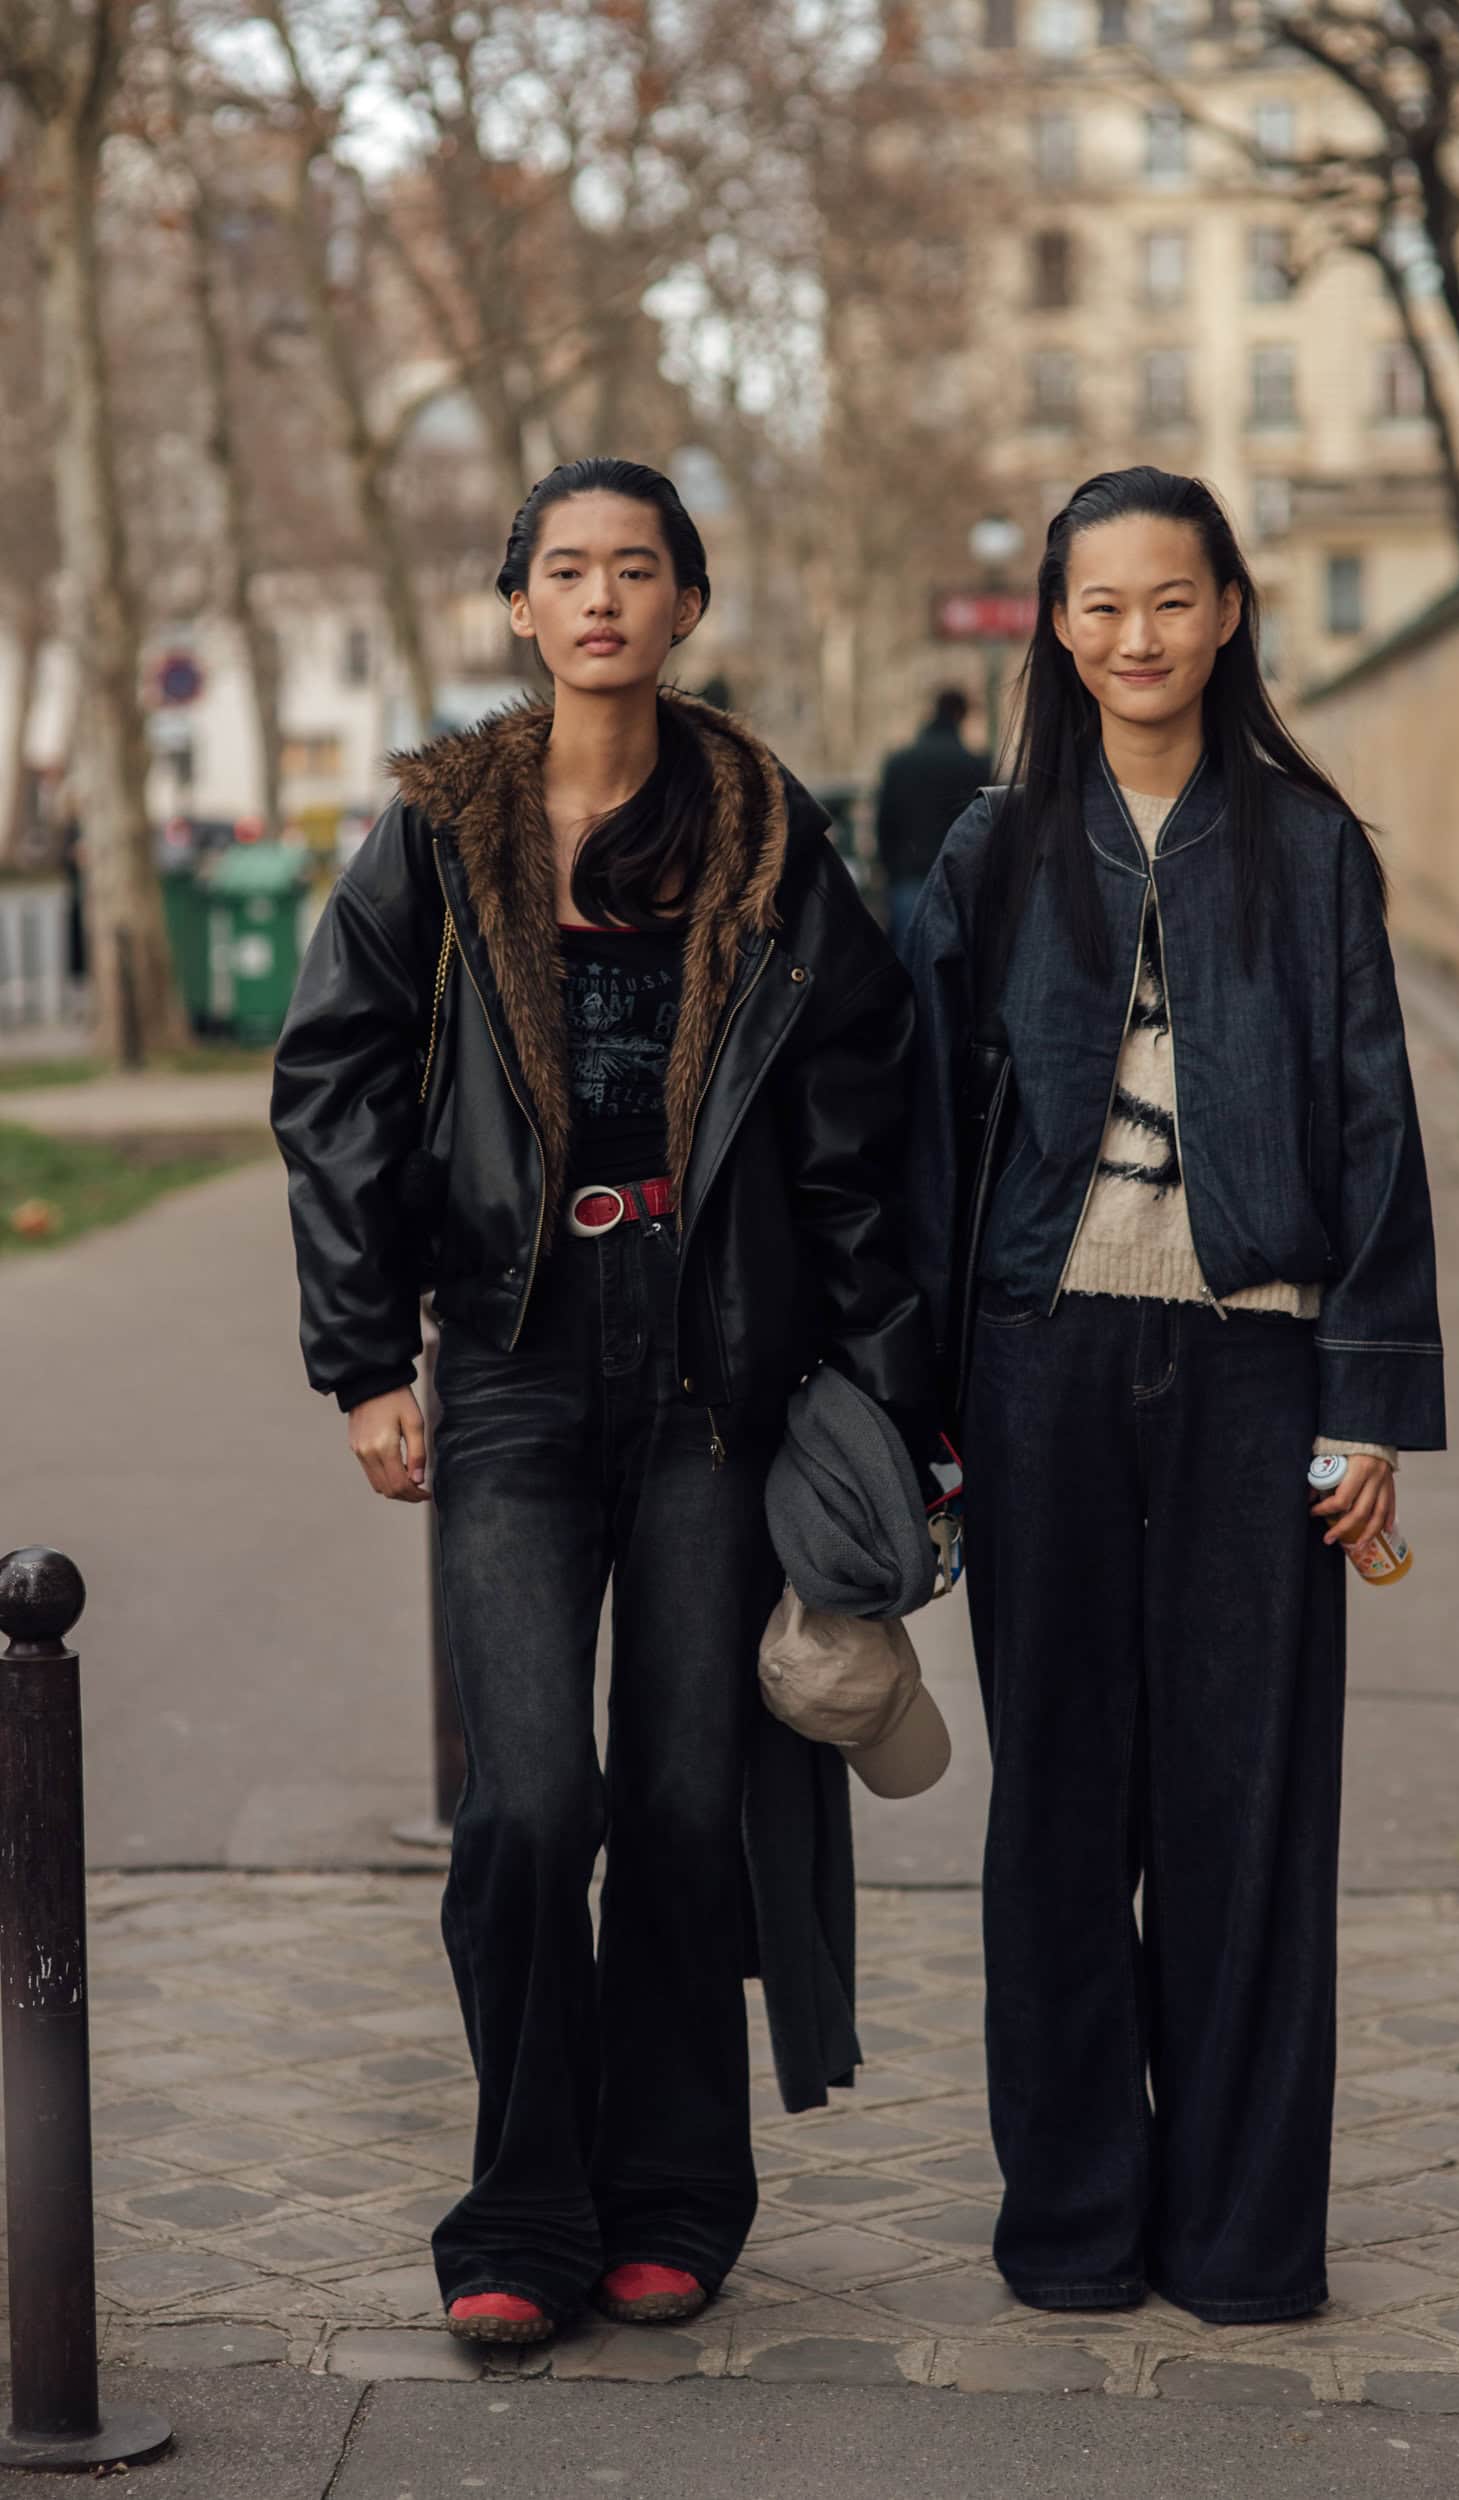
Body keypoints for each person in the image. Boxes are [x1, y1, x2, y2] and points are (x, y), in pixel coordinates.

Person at [271, 457, 933, 2345]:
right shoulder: (438, 833)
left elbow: (854, 1123)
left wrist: (877, 1394)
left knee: (682, 1798)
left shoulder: (766, 830)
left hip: (715, 1364)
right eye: (564, 569)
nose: (600, 599)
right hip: (510, 1352)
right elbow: (334, 1088)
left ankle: (673, 2197)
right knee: (530, 1808)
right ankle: (519, 2208)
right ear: (518, 605)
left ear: (685, 605)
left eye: (636, 569)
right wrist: (360, 1358)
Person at [905, 467, 1443, 2326]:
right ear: (1055, 627)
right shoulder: (989, 854)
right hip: (1035, 1367)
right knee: (1058, 1810)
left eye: (1169, 599)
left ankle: (1238, 2239)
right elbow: (922, 1142)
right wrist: (915, 1407)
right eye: (1100, 604)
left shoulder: (1309, 847)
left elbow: (1374, 1129)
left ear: (1226, 612)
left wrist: (1364, 1405)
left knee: (1246, 1813)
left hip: (1255, 1374)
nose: (1135, 636)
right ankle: (1069, 2222)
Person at [873, 689, 991, 948]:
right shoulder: (974, 765)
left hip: (909, 876)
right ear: (961, 715)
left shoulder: (900, 763)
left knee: (909, 955)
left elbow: (885, 822)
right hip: (961, 880)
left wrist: (890, 871)